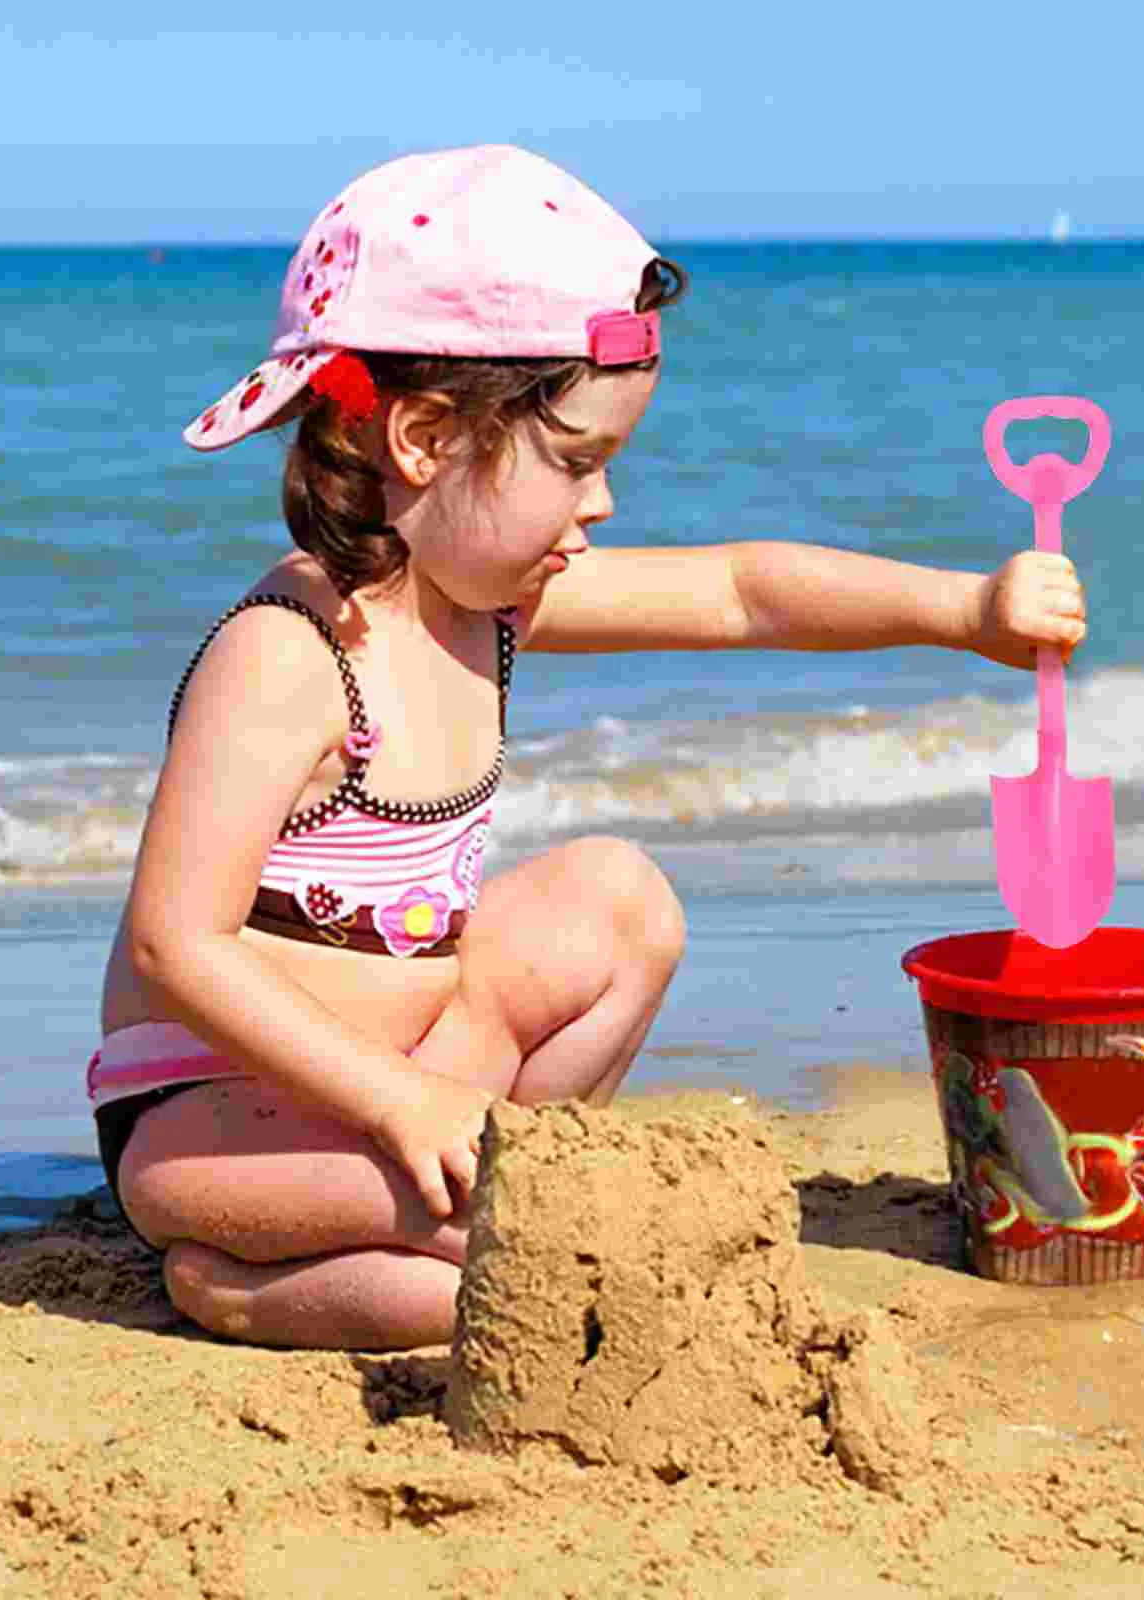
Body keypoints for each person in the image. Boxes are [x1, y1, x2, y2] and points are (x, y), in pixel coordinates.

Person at [92, 144, 1088, 1352]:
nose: (601, 505)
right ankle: (242, 1280)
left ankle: (481, 1184)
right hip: (225, 1114)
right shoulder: (293, 653)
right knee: (506, 1271)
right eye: (575, 463)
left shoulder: (490, 605)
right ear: (420, 436)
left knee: (618, 903)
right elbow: (173, 939)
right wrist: (396, 1100)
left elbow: (741, 594)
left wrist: (966, 611)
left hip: (412, 1056)